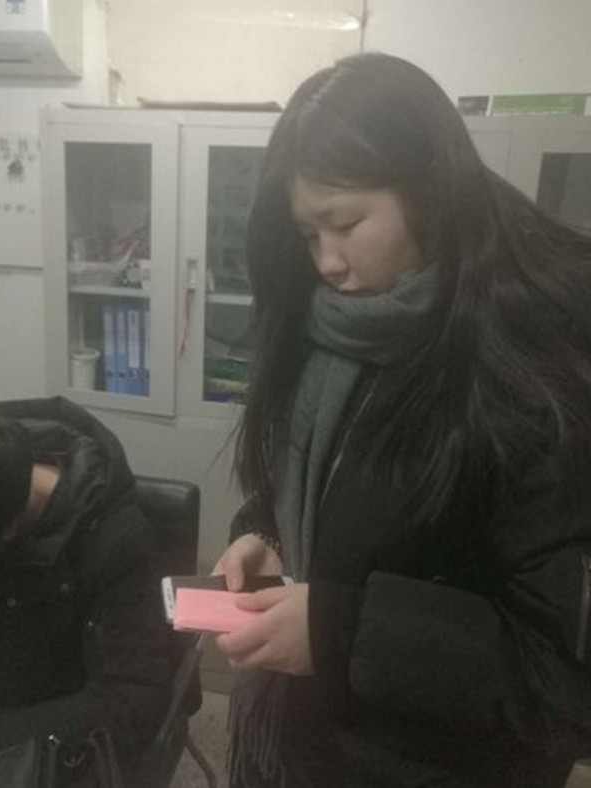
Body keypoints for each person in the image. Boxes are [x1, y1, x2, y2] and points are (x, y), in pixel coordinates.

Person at [212, 52, 591, 788]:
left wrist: (341, 631)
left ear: (428, 193)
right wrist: (268, 532)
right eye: (307, 233)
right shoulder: (336, 326)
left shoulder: (534, 370)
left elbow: (557, 676)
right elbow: (345, 495)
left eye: (344, 223)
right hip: (308, 745)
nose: (327, 262)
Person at [0, 396, 173, 786]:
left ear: (11, 530)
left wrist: (4, 738)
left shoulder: (111, 540)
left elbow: (135, 697)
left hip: (51, 728)